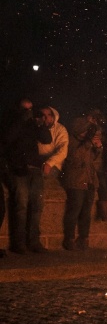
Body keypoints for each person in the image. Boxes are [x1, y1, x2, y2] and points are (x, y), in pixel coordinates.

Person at [3, 100, 53, 253]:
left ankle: (34, 241)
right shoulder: (10, 121)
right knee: (21, 204)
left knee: (37, 204)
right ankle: (19, 243)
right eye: (25, 109)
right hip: (17, 168)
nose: (29, 112)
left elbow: (46, 139)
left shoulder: (33, 123)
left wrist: (41, 124)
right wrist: (21, 120)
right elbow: (7, 138)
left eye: (31, 109)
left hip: (34, 168)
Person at [61, 109, 104, 251]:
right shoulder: (72, 140)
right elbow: (73, 159)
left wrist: (98, 148)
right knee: (74, 210)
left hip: (90, 180)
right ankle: (69, 239)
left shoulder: (90, 140)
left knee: (86, 212)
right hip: (76, 180)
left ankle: (84, 238)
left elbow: (95, 162)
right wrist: (88, 144)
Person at [36, 106, 69, 179]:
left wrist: (49, 163)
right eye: (43, 115)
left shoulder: (60, 129)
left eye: (48, 115)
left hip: (54, 163)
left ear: (53, 116)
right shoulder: (35, 127)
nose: (46, 117)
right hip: (36, 161)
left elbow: (63, 150)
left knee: (40, 178)